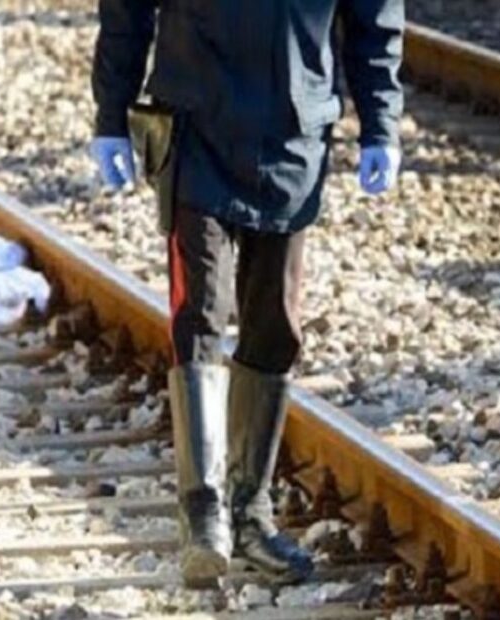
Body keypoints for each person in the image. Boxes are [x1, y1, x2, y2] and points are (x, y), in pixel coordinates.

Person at [90, 0, 404, 587]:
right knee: (200, 313)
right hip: (194, 126)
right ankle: (203, 512)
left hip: (294, 137)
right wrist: (111, 115)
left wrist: (381, 123)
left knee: (275, 326)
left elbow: (375, 16)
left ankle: (249, 513)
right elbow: (127, 9)